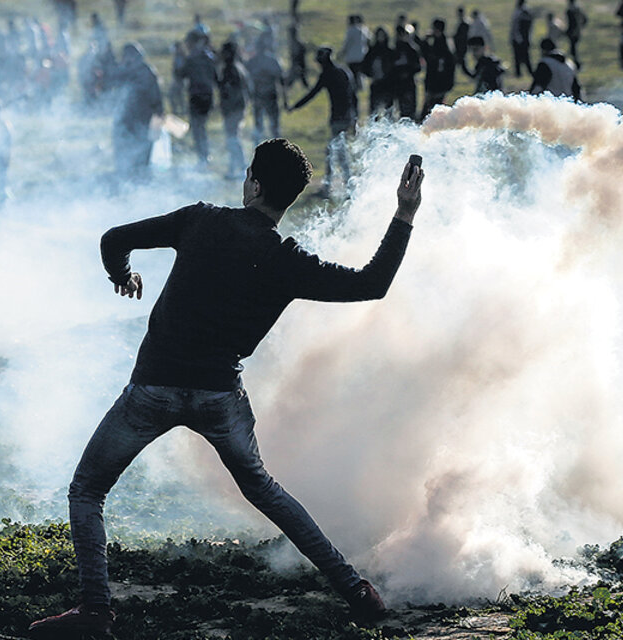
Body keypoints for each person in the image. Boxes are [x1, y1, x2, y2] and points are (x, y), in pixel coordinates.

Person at [27, 138, 424, 638]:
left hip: (153, 387)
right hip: (220, 396)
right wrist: (404, 215)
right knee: (266, 492)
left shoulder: (202, 220)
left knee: (87, 490)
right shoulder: (287, 259)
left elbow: (114, 237)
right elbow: (372, 283)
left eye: (248, 174)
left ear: (254, 185)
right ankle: (356, 591)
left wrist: (121, 274)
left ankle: (95, 610)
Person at [289, 47, 357, 194]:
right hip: (347, 116)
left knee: (335, 151)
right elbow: (354, 95)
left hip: (338, 118)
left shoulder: (327, 75)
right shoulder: (343, 71)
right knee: (337, 150)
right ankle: (341, 184)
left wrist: (294, 107)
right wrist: (354, 117)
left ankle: (335, 186)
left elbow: (312, 94)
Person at [112, 42, 163, 182]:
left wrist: (158, 115)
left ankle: (141, 179)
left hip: (142, 120)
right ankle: (126, 178)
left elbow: (156, 98)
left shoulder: (146, 73)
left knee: (142, 152)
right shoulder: (123, 71)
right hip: (125, 120)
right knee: (124, 150)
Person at [217, 40, 252, 179]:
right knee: (232, 138)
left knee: (233, 138)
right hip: (237, 107)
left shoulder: (231, 69)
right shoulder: (238, 67)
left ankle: (241, 167)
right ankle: (233, 168)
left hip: (234, 108)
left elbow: (230, 91)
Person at [181, 30, 215, 166]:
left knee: (197, 127)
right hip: (208, 95)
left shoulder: (192, 58)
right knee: (201, 126)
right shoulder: (209, 56)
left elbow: (181, 74)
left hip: (196, 95)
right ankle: (205, 154)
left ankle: (203, 156)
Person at [245, 32, 285, 144]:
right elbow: (281, 80)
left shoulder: (256, 61)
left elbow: (280, 80)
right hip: (262, 96)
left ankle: (276, 148)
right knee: (264, 126)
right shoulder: (271, 60)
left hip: (267, 95)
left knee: (267, 126)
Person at [415, 18, 456, 120]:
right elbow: (424, 54)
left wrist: (448, 85)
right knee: (426, 111)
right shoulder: (433, 43)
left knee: (436, 112)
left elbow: (450, 67)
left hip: (441, 84)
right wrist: (425, 40)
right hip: (431, 82)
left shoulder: (445, 46)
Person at [363, 26, 395, 115]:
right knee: (374, 111)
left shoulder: (390, 51)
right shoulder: (372, 51)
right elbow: (365, 66)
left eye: (382, 35)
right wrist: (370, 74)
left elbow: (394, 68)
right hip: (376, 83)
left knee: (389, 111)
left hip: (388, 84)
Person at [390, 25, 421, 119]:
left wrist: (407, 72)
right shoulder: (394, 50)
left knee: (409, 110)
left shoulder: (412, 50)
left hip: (408, 83)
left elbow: (418, 67)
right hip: (397, 83)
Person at [341, 14, 370, 92]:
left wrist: (342, 52)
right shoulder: (364, 30)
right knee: (360, 73)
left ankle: (354, 87)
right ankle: (361, 87)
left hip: (352, 56)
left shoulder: (351, 30)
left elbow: (347, 43)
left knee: (353, 73)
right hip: (362, 55)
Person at [509, 0, 534, 78]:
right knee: (522, 57)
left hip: (520, 39)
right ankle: (521, 72)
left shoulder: (520, 13)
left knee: (522, 57)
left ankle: (523, 72)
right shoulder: (524, 12)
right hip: (522, 39)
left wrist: (518, 38)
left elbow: (516, 28)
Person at [285, 23, 309, 90]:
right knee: (302, 81)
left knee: (290, 82)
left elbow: (299, 55)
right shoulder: (294, 43)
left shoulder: (296, 44)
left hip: (297, 66)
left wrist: (297, 65)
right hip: (297, 65)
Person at [565, 0, 587, 68]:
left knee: (573, 49)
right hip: (576, 31)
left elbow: (573, 22)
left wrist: (574, 31)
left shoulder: (572, 10)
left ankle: (576, 64)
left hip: (573, 32)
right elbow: (584, 20)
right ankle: (576, 63)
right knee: (573, 48)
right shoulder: (578, 9)